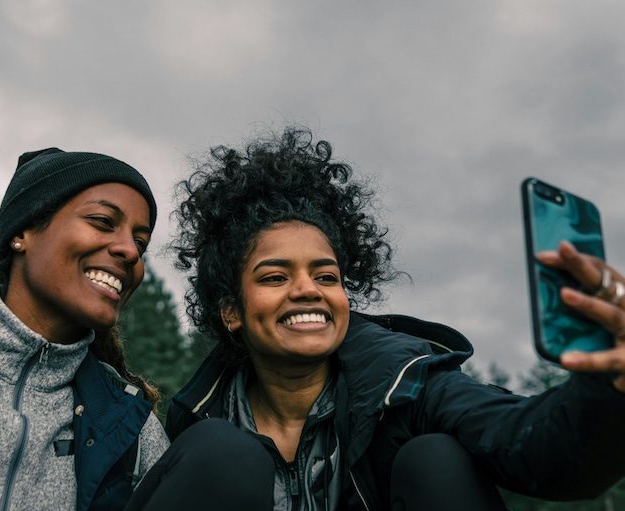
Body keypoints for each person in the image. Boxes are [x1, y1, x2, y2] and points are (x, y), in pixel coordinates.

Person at [166, 126, 625, 510]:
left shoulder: (408, 386)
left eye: (326, 276)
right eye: (274, 277)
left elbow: (541, 450)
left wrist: (610, 386)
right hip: (211, 448)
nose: (308, 289)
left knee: (435, 459)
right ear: (231, 312)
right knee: (216, 451)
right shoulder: (195, 422)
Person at [0, 148, 273, 511]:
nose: (131, 251)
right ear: (22, 233)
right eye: (103, 222)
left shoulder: (133, 432)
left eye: (140, 241)